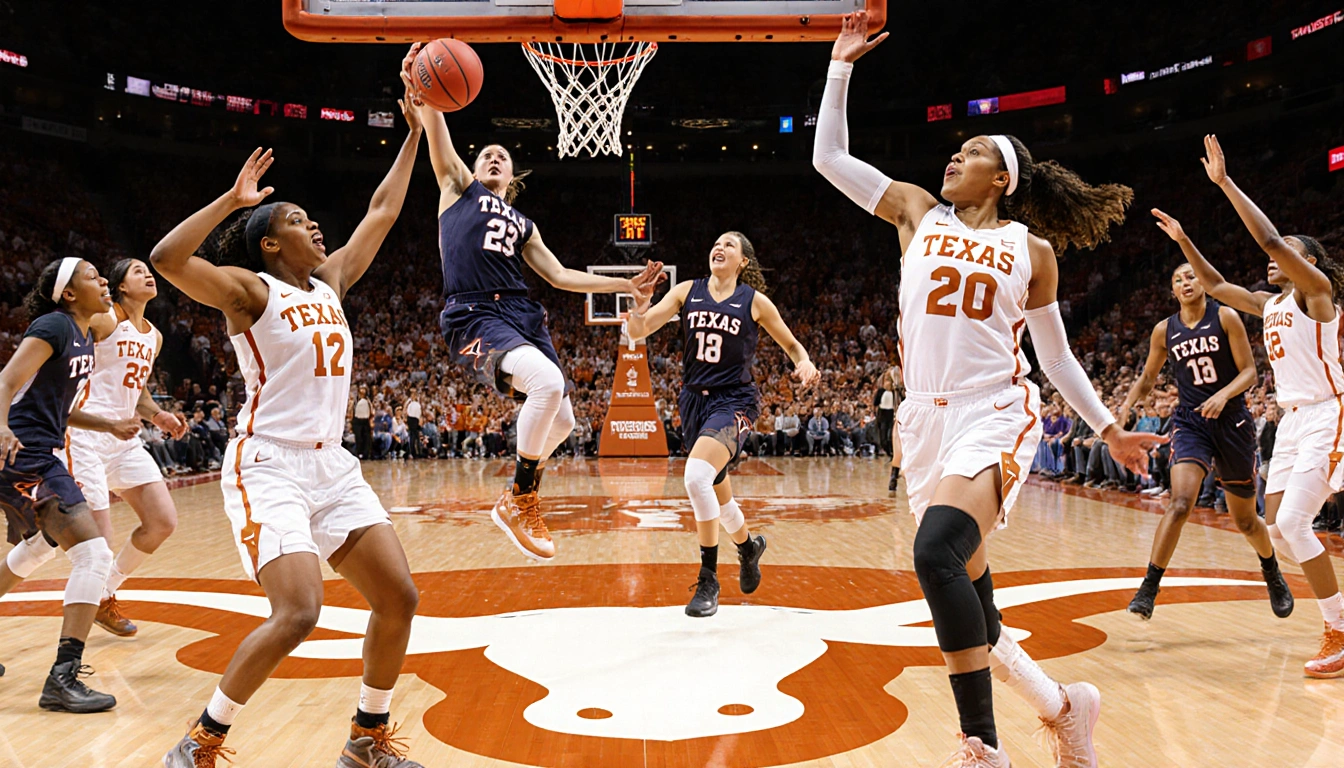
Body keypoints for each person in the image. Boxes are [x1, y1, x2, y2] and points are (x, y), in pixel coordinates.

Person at [814, 12, 1163, 766]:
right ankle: (1067, 709)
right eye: (957, 148)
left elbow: (1058, 358)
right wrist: (840, 66)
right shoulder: (914, 210)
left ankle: (983, 749)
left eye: (971, 152)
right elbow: (830, 157)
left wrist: (1108, 430)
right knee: (978, 607)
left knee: (936, 553)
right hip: (923, 420)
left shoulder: (1030, 249)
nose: (954, 156)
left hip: (995, 410)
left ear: (1001, 177)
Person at [151, 81, 426, 768]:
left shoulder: (329, 283)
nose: (317, 229)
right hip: (267, 462)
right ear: (272, 244)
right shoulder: (249, 290)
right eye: (301, 222)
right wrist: (232, 201)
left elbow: (383, 210)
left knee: (399, 598)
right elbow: (166, 260)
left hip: (330, 464)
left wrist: (417, 131)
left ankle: (365, 742)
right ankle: (200, 741)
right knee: (298, 611)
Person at [403, 46, 663, 560]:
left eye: (502, 156)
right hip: (474, 312)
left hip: (522, 315)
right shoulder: (458, 188)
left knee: (564, 420)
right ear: (473, 168)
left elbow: (561, 275)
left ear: (514, 174)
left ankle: (517, 493)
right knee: (547, 383)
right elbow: (436, 121)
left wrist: (624, 285)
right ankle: (520, 497)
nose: (493, 157)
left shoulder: (525, 224)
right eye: (485, 155)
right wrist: (421, 81)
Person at [1157, 133, 1344, 679]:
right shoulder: (1271, 303)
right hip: (1292, 422)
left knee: (1293, 520)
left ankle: (1338, 627)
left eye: (1288, 249)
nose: (1273, 257)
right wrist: (1187, 240)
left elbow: (1266, 238)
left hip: (1330, 413)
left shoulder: (1316, 293)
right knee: (1281, 530)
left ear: (1304, 261)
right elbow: (1214, 284)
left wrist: (1224, 184)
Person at [626, 231, 818, 616]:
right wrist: (639, 307)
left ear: (743, 261)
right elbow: (638, 331)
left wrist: (804, 362)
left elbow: (793, 345)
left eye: (730, 245)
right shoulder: (685, 292)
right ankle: (748, 548)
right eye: (716, 242)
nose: (719, 247)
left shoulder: (755, 302)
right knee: (721, 497)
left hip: (735, 402)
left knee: (696, 476)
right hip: (694, 401)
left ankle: (709, 578)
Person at [1119, 262, 1291, 620]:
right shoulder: (1164, 330)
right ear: (1172, 291)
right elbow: (1148, 376)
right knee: (1180, 502)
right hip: (1191, 422)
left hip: (1233, 422)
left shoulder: (1226, 316)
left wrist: (1223, 395)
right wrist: (1122, 410)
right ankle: (1149, 587)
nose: (1186, 282)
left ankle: (1271, 570)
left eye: (1191, 275)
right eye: (1178, 279)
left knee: (1244, 520)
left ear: (1203, 282)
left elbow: (1249, 372)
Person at [0, 258, 133, 712]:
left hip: (40, 451)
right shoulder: (54, 325)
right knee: (93, 555)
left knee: (38, 548)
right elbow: (7, 380)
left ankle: (63, 678)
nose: (103, 281)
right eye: (93, 276)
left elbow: (59, 407)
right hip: (25, 456)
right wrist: (1, 426)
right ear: (70, 293)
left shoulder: (83, 338)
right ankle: (63, 678)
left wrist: (108, 425)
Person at [64, 258, 191, 639]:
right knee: (93, 546)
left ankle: (105, 592)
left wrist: (158, 416)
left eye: (146, 269)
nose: (147, 273)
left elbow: (137, 389)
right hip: (85, 435)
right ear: (120, 286)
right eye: (137, 270)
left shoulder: (154, 335)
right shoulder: (105, 319)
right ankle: (71, 652)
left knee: (162, 522)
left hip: (123, 440)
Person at [352, 385, 372, 459]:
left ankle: (366, 454)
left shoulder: (368, 400)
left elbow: (371, 410)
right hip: (357, 420)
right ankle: (359, 453)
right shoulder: (355, 400)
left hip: (365, 420)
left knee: (366, 438)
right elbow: (352, 410)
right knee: (359, 438)